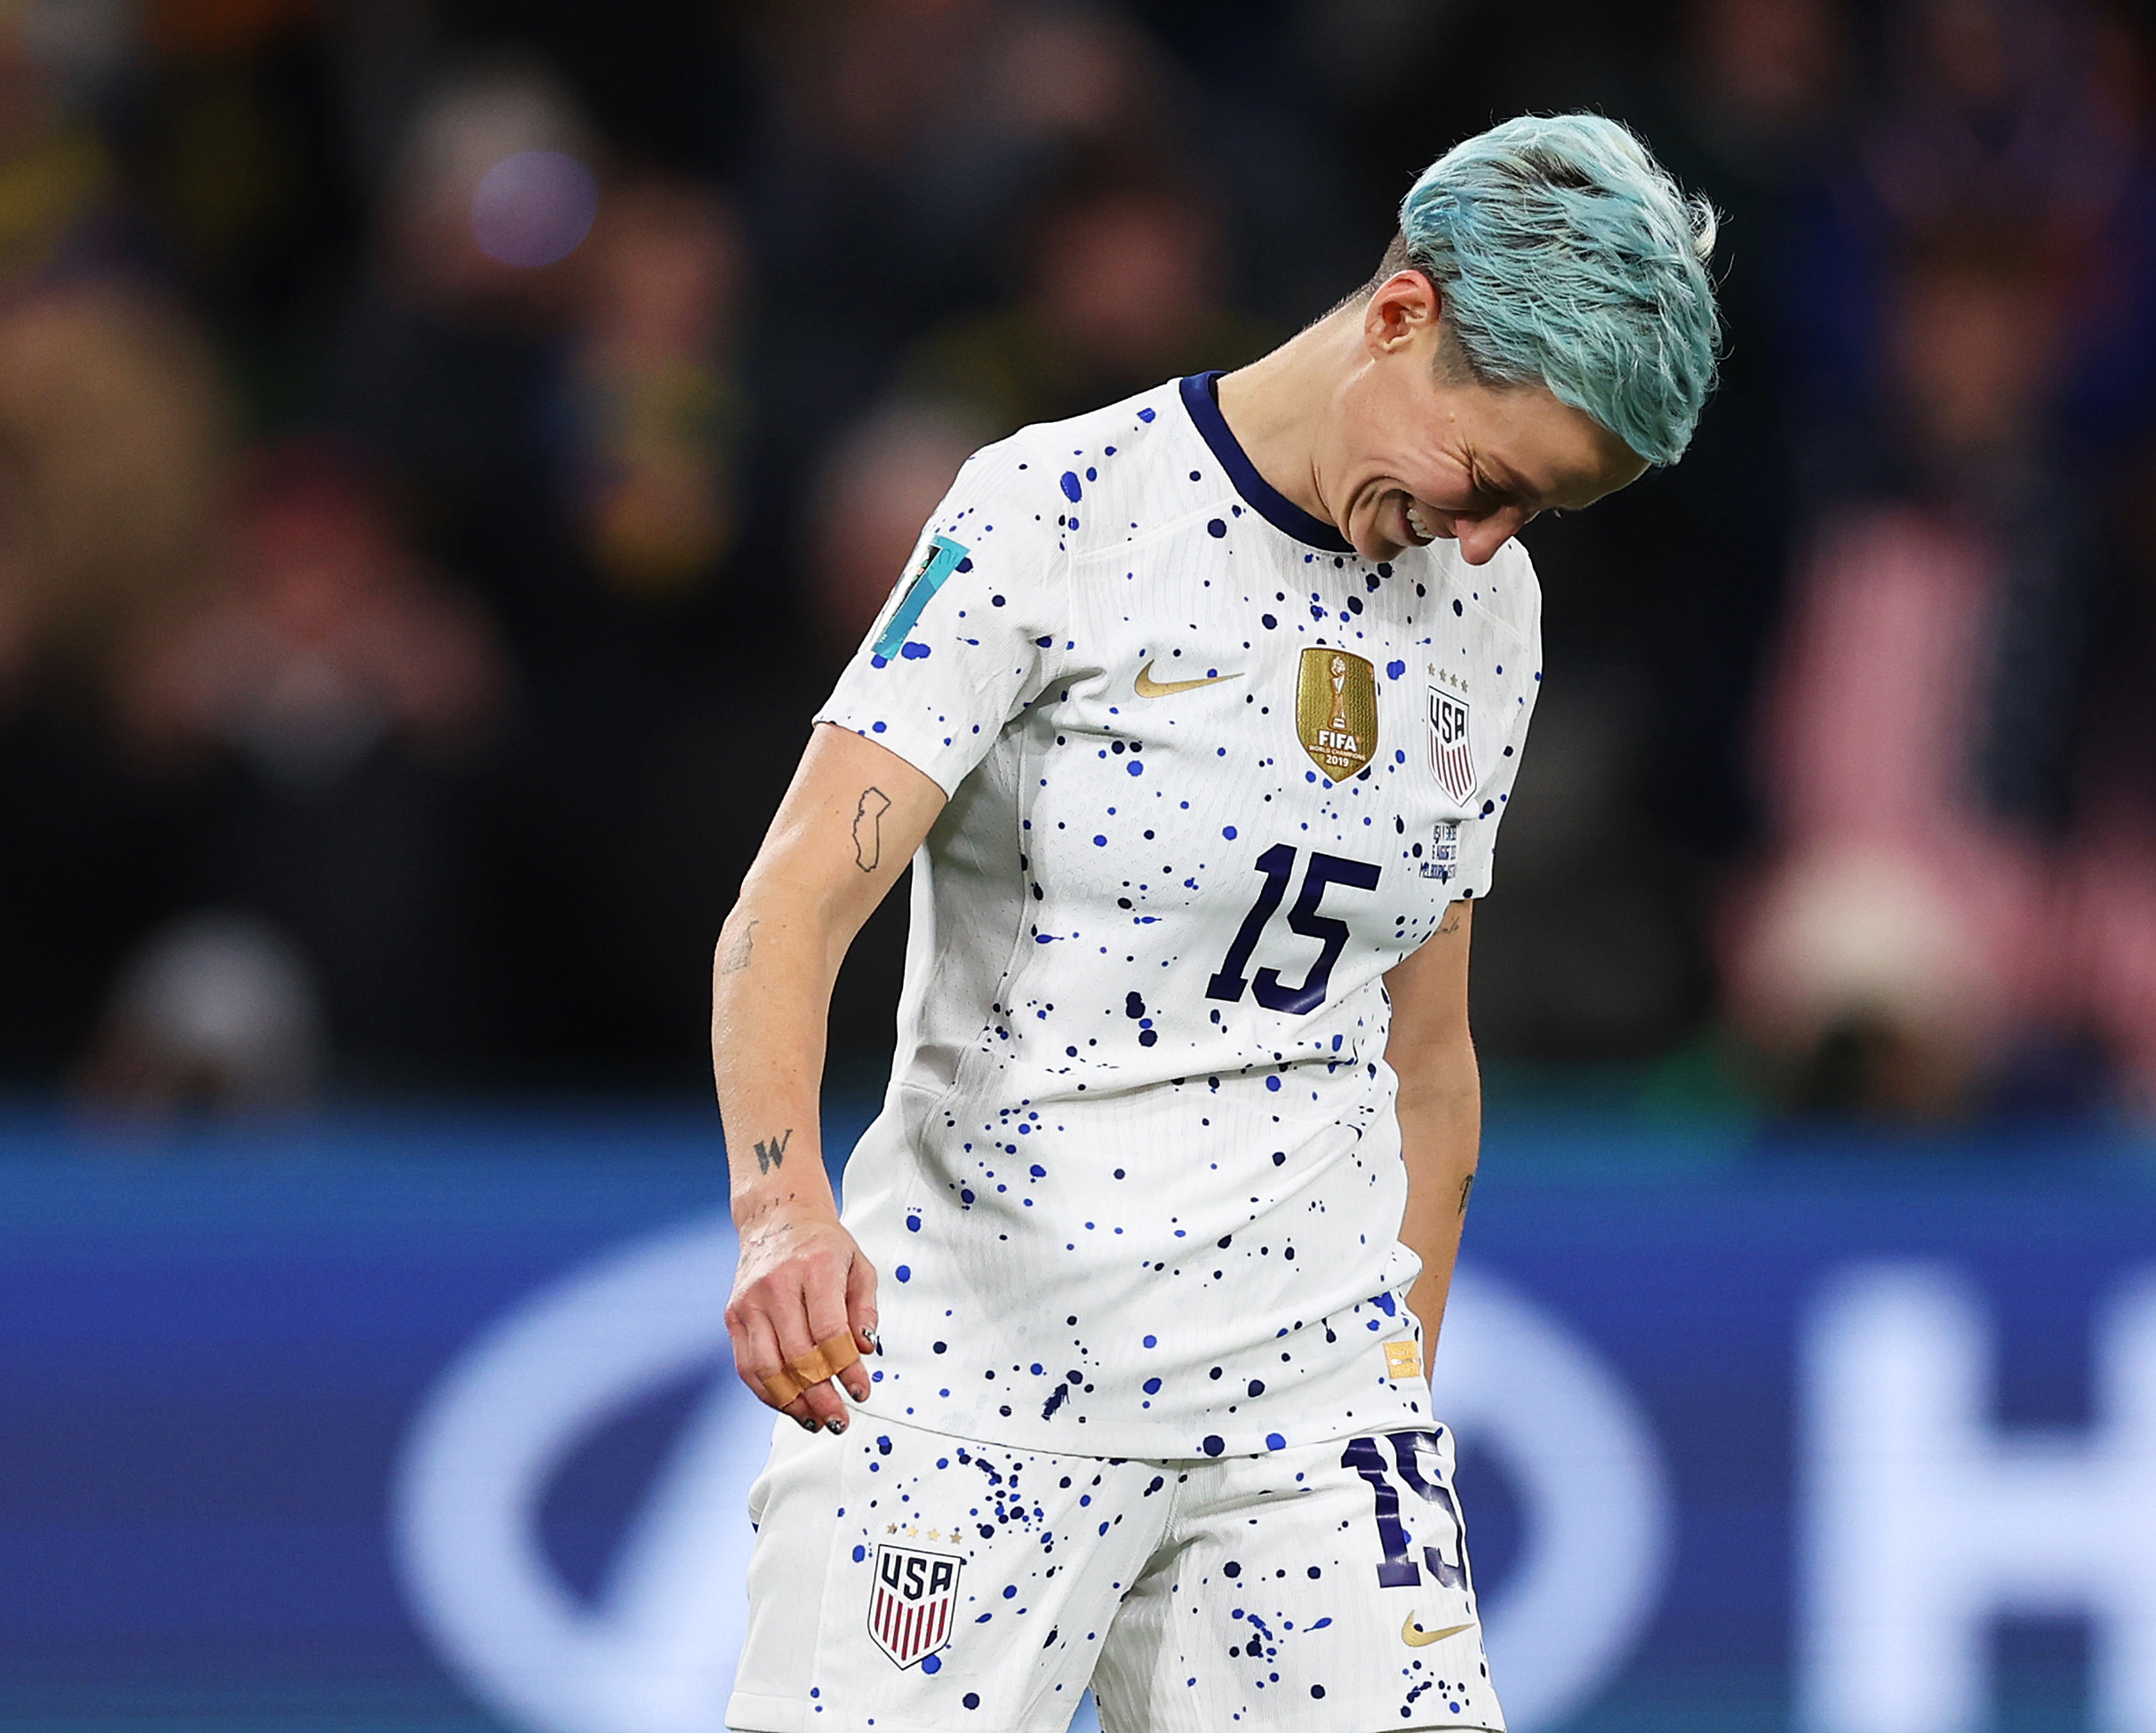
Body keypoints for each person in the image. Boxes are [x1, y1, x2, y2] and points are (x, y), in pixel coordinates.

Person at [710, 114, 1719, 1733]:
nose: (1485, 540)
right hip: (980, 1390)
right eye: (1492, 480)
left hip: (1307, 1419)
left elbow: (1428, 1058)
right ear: (1403, 315)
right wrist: (781, 1212)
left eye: (1541, 513)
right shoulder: (1054, 513)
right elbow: (795, 900)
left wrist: (1396, 1386)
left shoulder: (1492, 616)